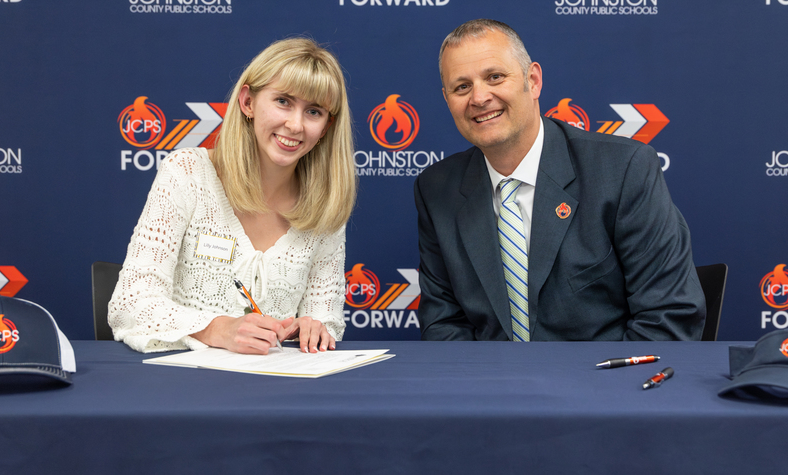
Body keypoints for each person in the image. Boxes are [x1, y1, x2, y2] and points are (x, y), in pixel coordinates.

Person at [414, 19, 706, 341]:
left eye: (495, 77)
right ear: (447, 99)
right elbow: (444, 325)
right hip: (490, 385)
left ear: (533, 81)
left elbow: (667, 318)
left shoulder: (623, 169)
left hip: (603, 383)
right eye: (462, 87)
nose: (479, 97)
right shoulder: (436, 189)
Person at [109, 38, 356, 354]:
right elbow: (130, 303)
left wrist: (310, 330)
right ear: (247, 102)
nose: (295, 125)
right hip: (182, 385)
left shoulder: (326, 205)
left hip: (277, 390)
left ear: (326, 127)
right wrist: (216, 330)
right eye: (283, 101)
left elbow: (327, 321)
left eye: (313, 111)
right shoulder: (188, 173)